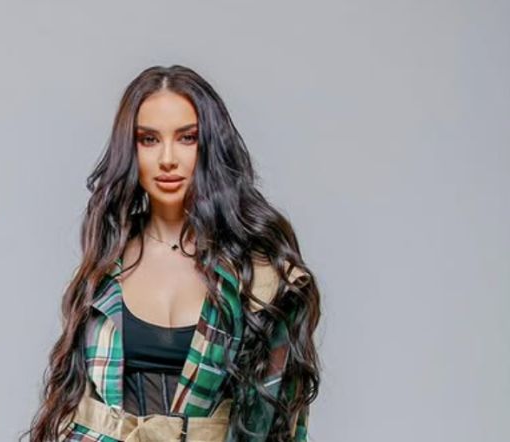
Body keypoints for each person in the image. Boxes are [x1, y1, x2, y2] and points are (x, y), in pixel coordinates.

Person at [22, 65, 322, 442]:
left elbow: (275, 426)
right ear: (130, 151)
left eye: (187, 138)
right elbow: (74, 405)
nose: (167, 158)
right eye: (149, 139)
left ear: (211, 146)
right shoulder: (105, 264)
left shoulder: (260, 279)